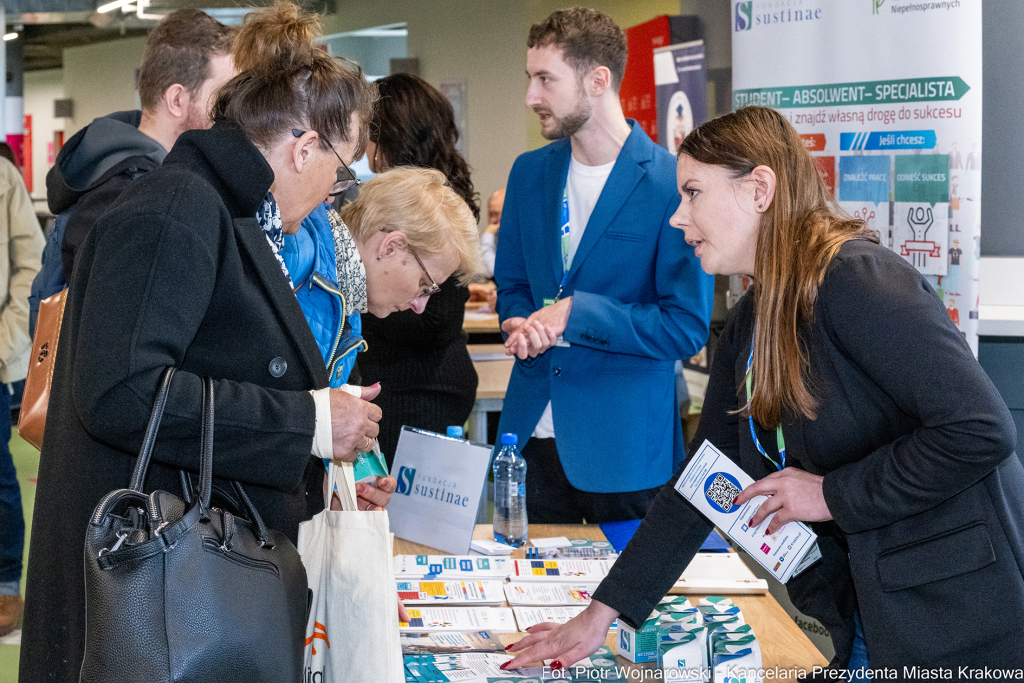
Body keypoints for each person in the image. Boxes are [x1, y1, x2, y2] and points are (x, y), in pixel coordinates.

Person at [18, 14, 473, 680]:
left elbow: (211, 380)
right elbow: (121, 392)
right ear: (304, 146)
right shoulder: (175, 209)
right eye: (340, 171)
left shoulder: (222, 211)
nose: (335, 194)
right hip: (149, 601)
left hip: (190, 588)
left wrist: (321, 472)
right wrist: (311, 421)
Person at [503, 106, 1023, 672]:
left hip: (957, 615)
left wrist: (829, 494)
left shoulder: (857, 281)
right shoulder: (755, 315)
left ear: (759, 189)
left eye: (693, 193)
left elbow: (979, 430)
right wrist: (601, 614)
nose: (678, 218)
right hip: (871, 609)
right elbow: (705, 479)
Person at [494, 7, 713, 523]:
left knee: (623, 603)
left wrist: (576, 314)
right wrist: (519, 320)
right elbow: (513, 284)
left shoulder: (670, 183)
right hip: (531, 439)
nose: (531, 97)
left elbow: (685, 327)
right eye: (531, 78)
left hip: (624, 452)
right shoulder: (529, 174)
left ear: (598, 80)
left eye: (545, 79)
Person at [28, 9, 236, 333]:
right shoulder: (128, 195)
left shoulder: (108, 169)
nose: (229, 111)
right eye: (221, 96)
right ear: (177, 99)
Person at [357, 72, 482, 465]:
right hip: (417, 381)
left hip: (418, 388)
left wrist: (358, 304)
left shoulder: (431, 216)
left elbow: (433, 321)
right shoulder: (440, 200)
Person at [0, 155, 44, 638]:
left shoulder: (3, 178)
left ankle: (6, 585)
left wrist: (3, 345)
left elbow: (29, 267)